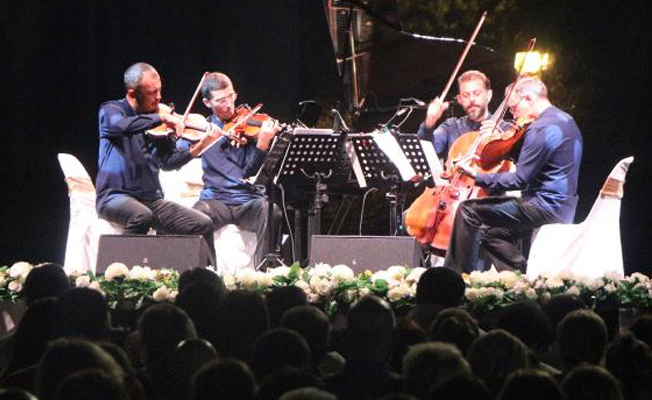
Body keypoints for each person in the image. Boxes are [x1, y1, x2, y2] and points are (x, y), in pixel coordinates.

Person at [444, 76, 583, 273]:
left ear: (527, 99)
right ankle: (520, 278)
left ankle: (454, 277)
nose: (514, 115)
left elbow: (519, 180)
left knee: (468, 210)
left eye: (514, 108)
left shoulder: (540, 128)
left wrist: (476, 175)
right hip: (565, 206)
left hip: (543, 206)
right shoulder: (566, 120)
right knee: (491, 234)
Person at [96, 62, 216, 252]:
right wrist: (161, 118)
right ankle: (119, 273)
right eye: (152, 92)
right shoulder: (111, 110)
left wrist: (197, 148)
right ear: (132, 94)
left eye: (159, 91)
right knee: (141, 216)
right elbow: (121, 126)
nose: (159, 97)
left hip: (151, 200)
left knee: (203, 223)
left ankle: (208, 277)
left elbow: (167, 162)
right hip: (114, 197)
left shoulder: (156, 124)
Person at [189, 72, 282, 268]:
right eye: (221, 100)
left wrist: (262, 145)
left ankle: (261, 274)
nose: (229, 105)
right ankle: (206, 274)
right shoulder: (202, 131)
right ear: (207, 102)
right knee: (193, 218)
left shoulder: (248, 126)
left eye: (231, 97)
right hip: (215, 200)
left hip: (247, 201)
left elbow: (249, 172)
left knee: (271, 213)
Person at [417, 70, 506, 164]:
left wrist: (499, 142)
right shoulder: (451, 126)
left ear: (488, 95)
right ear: (460, 99)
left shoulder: (504, 128)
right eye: (466, 95)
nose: (471, 99)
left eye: (477, 93)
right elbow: (427, 152)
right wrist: (429, 122)